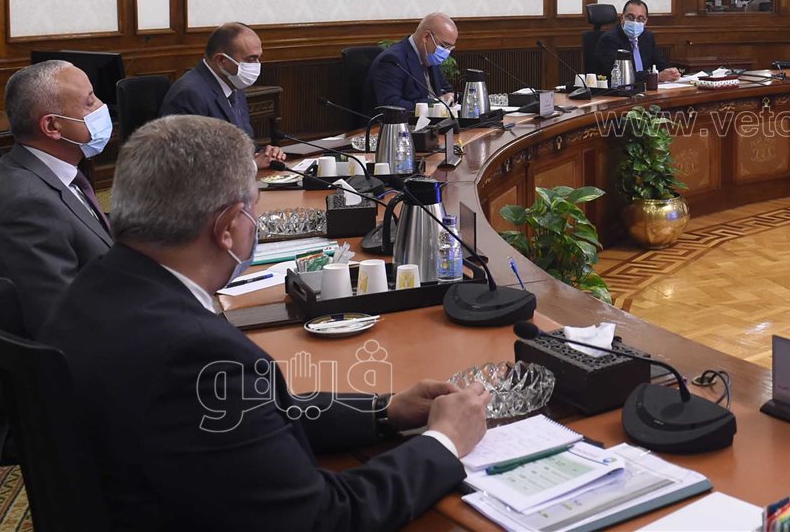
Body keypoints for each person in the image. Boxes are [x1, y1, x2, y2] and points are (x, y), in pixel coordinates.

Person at [41, 115, 491, 530]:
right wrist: (444, 441)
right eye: (253, 210)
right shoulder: (191, 354)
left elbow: (255, 415)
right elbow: (323, 519)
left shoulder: (96, 287)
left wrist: (383, 410)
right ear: (227, 228)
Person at [0, 61, 114, 335]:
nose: (102, 107)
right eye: (90, 101)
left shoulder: (57, 169)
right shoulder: (27, 206)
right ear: (52, 126)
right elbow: (60, 322)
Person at [160, 22, 286, 168]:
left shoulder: (233, 83)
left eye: (258, 58)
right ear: (221, 60)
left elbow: (243, 144)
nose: (257, 65)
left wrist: (266, 153)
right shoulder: (189, 94)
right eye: (250, 59)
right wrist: (252, 165)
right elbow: (189, 163)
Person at [370, 12, 458, 111]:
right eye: (443, 46)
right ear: (426, 37)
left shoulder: (430, 57)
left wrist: (452, 97)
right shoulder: (393, 60)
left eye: (450, 48)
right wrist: (435, 103)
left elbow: (446, 91)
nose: (446, 52)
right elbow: (392, 105)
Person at [593, 0, 681, 82]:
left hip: (645, 88)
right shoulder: (609, 39)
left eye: (640, 18)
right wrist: (656, 77)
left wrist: (671, 72)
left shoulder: (647, 37)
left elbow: (660, 63)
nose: (635, 22)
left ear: (645, 21)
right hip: (618, 90)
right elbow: (618, 75)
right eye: (630, 17)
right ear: (622, 18)